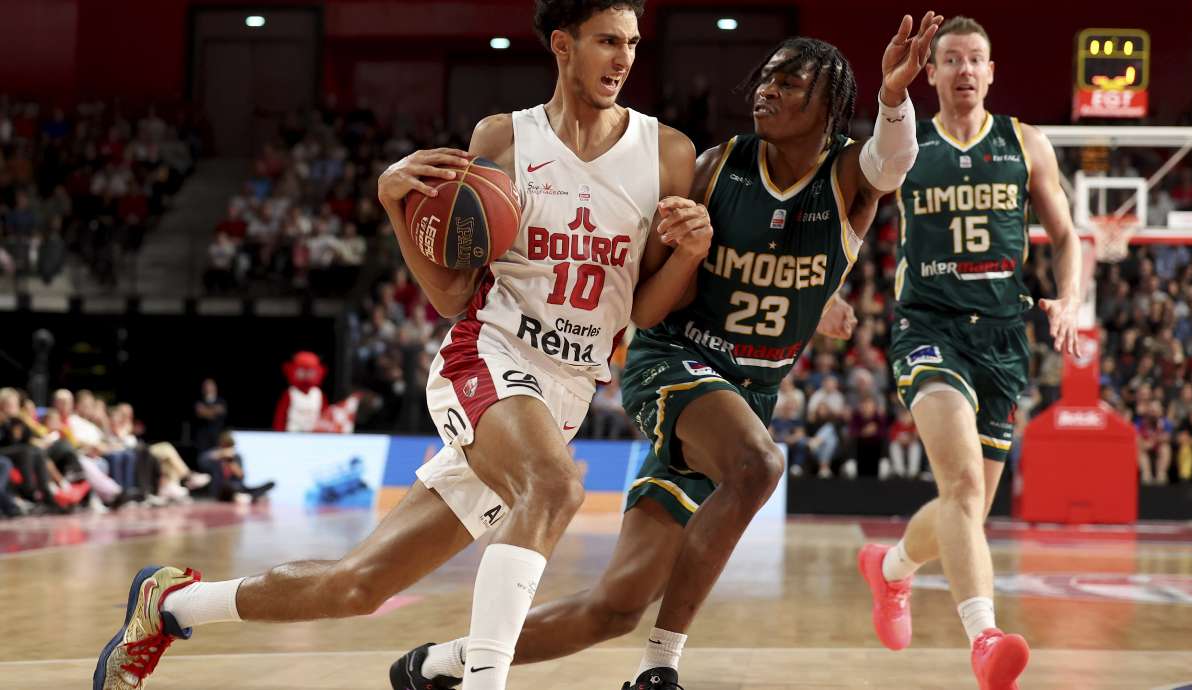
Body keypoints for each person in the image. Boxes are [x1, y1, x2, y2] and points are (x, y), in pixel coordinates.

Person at [94, 3, 710, 690]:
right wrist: (396, 206)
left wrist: (689, 254)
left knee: (358, 586)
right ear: (563, 46)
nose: (623, 58)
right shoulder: (505, 138)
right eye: (607, 41)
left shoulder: (667, 153)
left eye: (632, 43)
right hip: (491, 356)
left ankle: (172, 605)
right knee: (556, 485)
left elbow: (643, 309)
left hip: (566, 391)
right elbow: (451, 295)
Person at [397, 13, 940, 690]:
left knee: (615, 606)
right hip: (674, 361)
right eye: (766, 77)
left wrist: (893, 97)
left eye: (788, 82)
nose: (766, 89)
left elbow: (893, 160)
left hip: (745, 395)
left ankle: (442, 661)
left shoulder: (848, 179)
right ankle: (660, 668)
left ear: (830, 106)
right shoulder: (714, 166)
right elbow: (652, 274)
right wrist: (680, 243)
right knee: (759, 464)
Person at [856, 16, 1083, 690]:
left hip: (1003, 338)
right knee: (959, 488)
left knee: (969, 514)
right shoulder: (907, 144)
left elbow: (1066, 235)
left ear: (991, 71)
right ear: (931, 72)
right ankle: (985, 638)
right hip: (928, 327)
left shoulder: (1025, 143)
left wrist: (1070, 298)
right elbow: (851, 213)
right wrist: (833, 292)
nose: (963, 69)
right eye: (951, 58)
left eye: (975, 58)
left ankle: (889, 570)